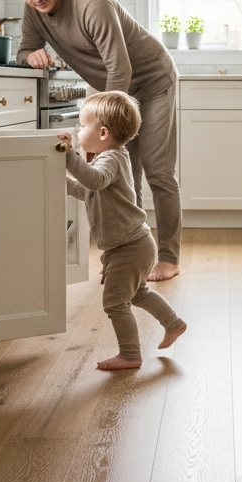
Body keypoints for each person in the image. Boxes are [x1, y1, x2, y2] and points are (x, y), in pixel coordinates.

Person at [11, 0, 184, 281]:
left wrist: (105, 127)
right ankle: (128, 256)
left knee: (157, 169)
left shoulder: (92, 5)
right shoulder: (34, 11)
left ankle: (168, 257)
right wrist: (30, 54)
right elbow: (24, 50)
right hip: (115, 90)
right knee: (125, 172)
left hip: (152, 81)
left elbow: (121, 68)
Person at [58, 91, 187, 370]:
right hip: (134, 243)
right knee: (138, 293)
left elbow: (94, 181)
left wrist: (69, 156)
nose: (79, 130)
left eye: (82, 125)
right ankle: (173, 323)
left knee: (115, 303)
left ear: (103, 133)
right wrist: (66, 183)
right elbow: (90, 191)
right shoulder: (111, 157)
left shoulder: (109, 160)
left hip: (128, 247)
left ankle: (130, 354)